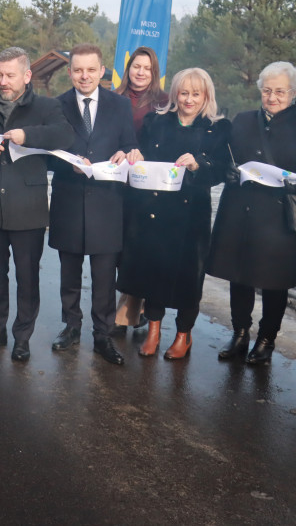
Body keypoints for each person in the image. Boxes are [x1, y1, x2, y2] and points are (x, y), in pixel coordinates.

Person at [0, 46, 74, 362]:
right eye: (0, 74)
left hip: (28, 208)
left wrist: (27, 135)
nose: (3, 81)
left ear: (27, 76)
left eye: (10, 75)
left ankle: (22, 337)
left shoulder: (46, 107)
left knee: (27, 278)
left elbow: (65, 135)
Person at [117, 67, 231, 359]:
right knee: (154, 272)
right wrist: (136, 155)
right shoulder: (156, 121)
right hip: (155, 212)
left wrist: (198, 164)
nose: (189, 100)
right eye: (184, 93)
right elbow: (142, 156)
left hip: (191, 217)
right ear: (175, 94)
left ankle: (183, 334)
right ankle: (153, 331)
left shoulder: (218, 128)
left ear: (206, 96)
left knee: (189, 279)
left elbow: (222, 171)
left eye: (196, 94)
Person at [207, 62, 296, 365]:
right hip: (240, 210)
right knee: (239, 275)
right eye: (267, 90)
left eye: (280, 91)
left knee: (274, 282)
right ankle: (240, 333)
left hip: (280, 216)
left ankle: (267, 339)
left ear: (293, 93)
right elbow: (224, 158)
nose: (272, 97)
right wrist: (228, 171)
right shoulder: (242, 120)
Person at [47, 44, 140, 366]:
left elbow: (130, 144)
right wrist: (68, 164)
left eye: (90, 70)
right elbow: (48, 155)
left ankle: (103, 335)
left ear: (102, 71)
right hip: (69, 201)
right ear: (69, 72)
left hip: (107, 203)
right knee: (69, 273)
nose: (84, 76)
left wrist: (127, 154)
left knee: (104, 278)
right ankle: (71, 326)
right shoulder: (56, 106)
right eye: (78, 70)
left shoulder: (120, 105)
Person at [112, 45, 169, 333]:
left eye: (147, 68)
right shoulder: (113, 97)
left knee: (139, 248)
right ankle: (126, 307)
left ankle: (132, 309)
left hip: (147, 187)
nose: (141, 72)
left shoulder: (164, 102)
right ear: (128, 69)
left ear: (154, 72)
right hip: (116, 183)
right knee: (118, 248)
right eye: (137, 66)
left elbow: (166, 143)